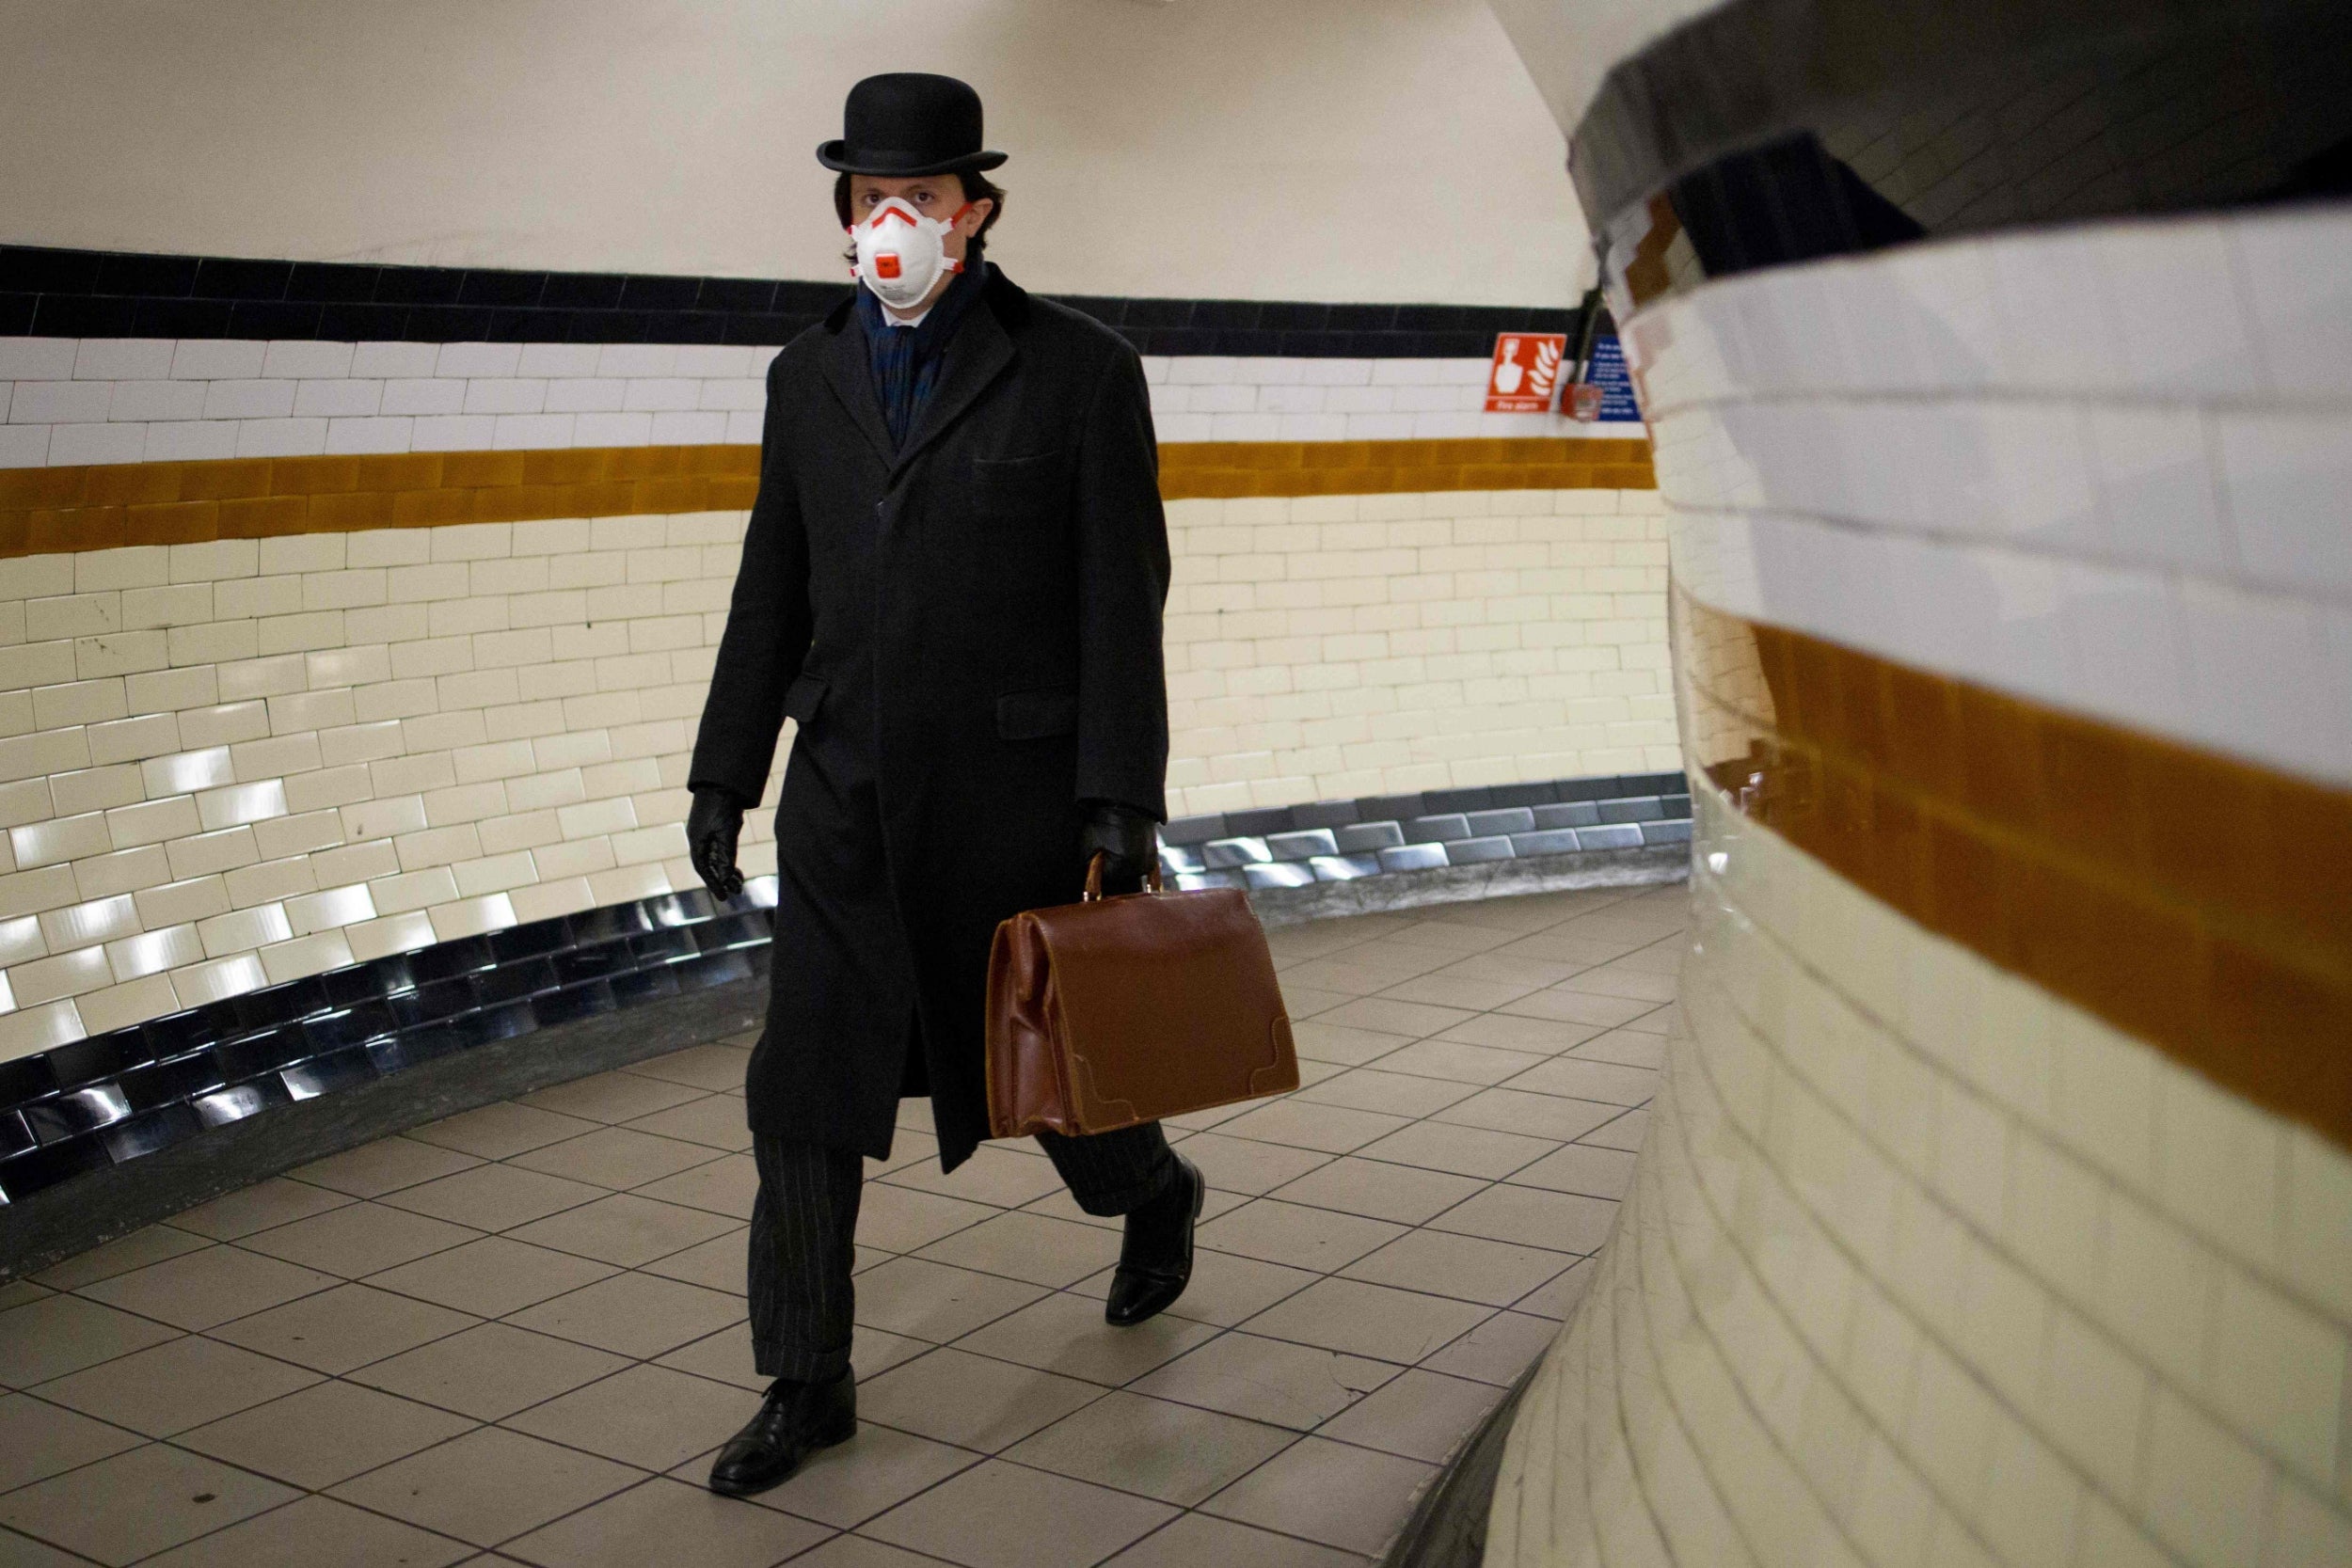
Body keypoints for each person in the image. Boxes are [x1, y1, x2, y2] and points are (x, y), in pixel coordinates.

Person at [683, 72, 1204, 1498]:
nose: (891, 220)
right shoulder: (806, 378)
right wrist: (727, 769)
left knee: (1051, 1088)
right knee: (803, 1096)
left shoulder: (1081, 371)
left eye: (920, 196)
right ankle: (806, 1381)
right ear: (844, 219)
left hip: (1009, 812)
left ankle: (1153, 1194)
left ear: (975, 211)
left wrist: (1120, 799)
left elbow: (1122, 599)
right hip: (844, 809)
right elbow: (769, 589)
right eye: (868, 199)